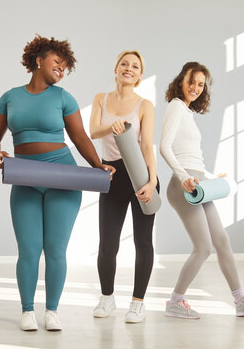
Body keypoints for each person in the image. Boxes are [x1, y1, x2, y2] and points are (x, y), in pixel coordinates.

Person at [0, 35, 115, 331]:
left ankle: (52, 311)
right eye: (57, 62)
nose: (62, 68)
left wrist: (98, 165)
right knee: (29, 250)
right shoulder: (10, 96)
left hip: (62, 177)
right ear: (39, 60)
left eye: (66, 66)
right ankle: (28, 311)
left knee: (55, 249)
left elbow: (80, 137)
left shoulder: (63, 97)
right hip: (24, 177)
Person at [160, 61, 244, 319]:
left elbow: (192, 157)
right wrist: (185, 177)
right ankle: (175, 301)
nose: (195, 88)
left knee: (222, 241)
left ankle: (240, 300)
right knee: (203, 248)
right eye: (191, 81)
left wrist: (210, 176)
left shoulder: (188, 112)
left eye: (200, 84)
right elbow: (164, 147)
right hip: (184, 185)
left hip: (200, 184)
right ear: (181, 80)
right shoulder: (175, 106)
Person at [89, 50, 159, 323]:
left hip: (140, 177)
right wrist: (113, 126)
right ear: (116, 68)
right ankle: (107, 298)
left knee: (143, 243)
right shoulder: (100, 99)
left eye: (135, 66)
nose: (129, 68)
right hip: (111, 177)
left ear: (140, 75)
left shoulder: (145, 105)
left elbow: (146, 147)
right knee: (107, 244)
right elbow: (94, 131)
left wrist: (152, 182)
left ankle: (138, 303)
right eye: (124, 64)